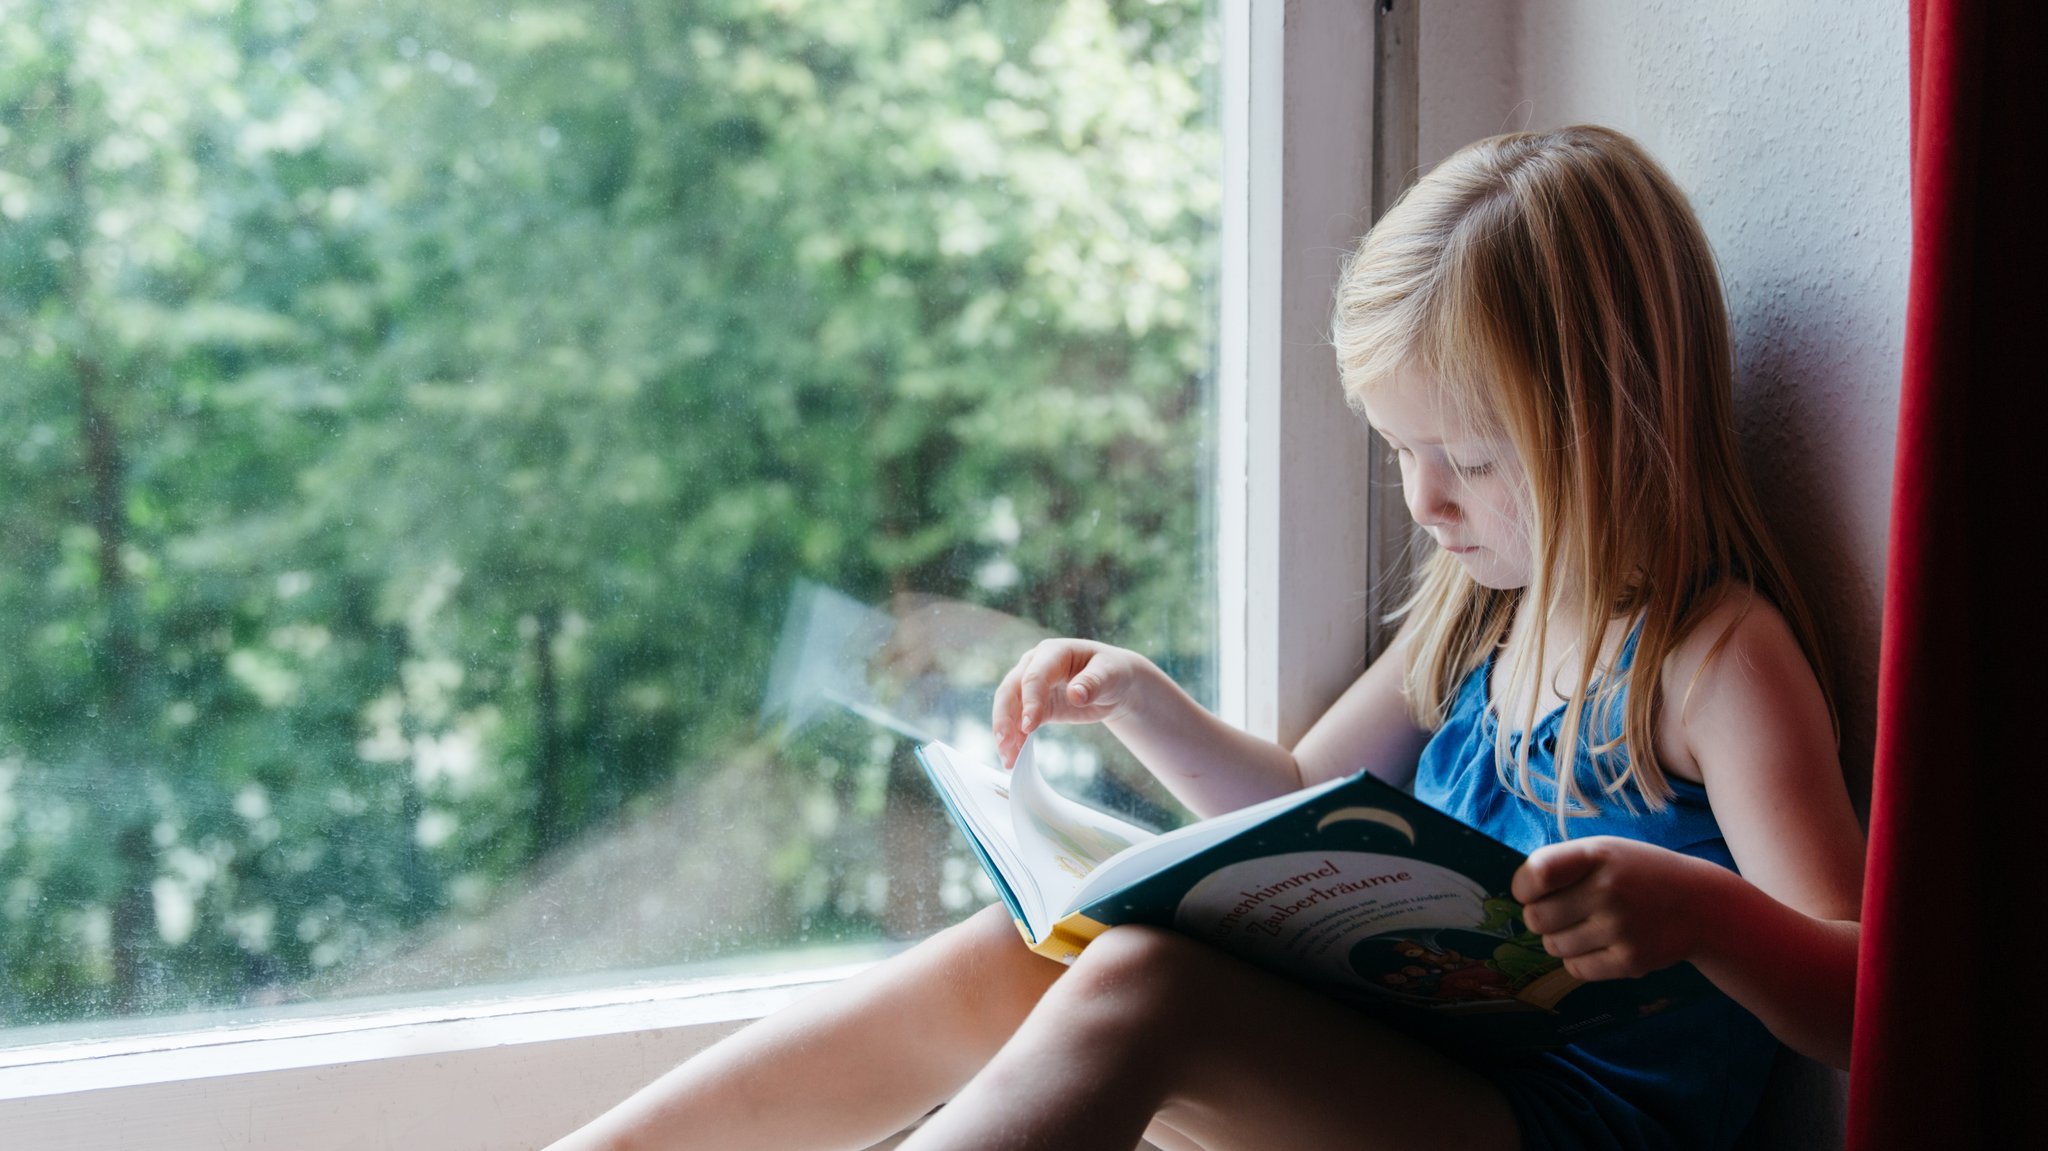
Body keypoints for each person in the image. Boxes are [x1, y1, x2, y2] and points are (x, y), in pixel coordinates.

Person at [545, 124, 1865, 1151]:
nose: (1425, 500)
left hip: (1563, 1127)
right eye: (1401, 451)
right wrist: (1145, 708)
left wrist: (1704, 917)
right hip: (1422, 1068)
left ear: (1615, 417)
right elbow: (1303, 802)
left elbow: (1862, 994)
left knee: (1148, 994)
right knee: (1036, 947)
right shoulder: (1481, 620)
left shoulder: (1713, 660)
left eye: (1467, 456)